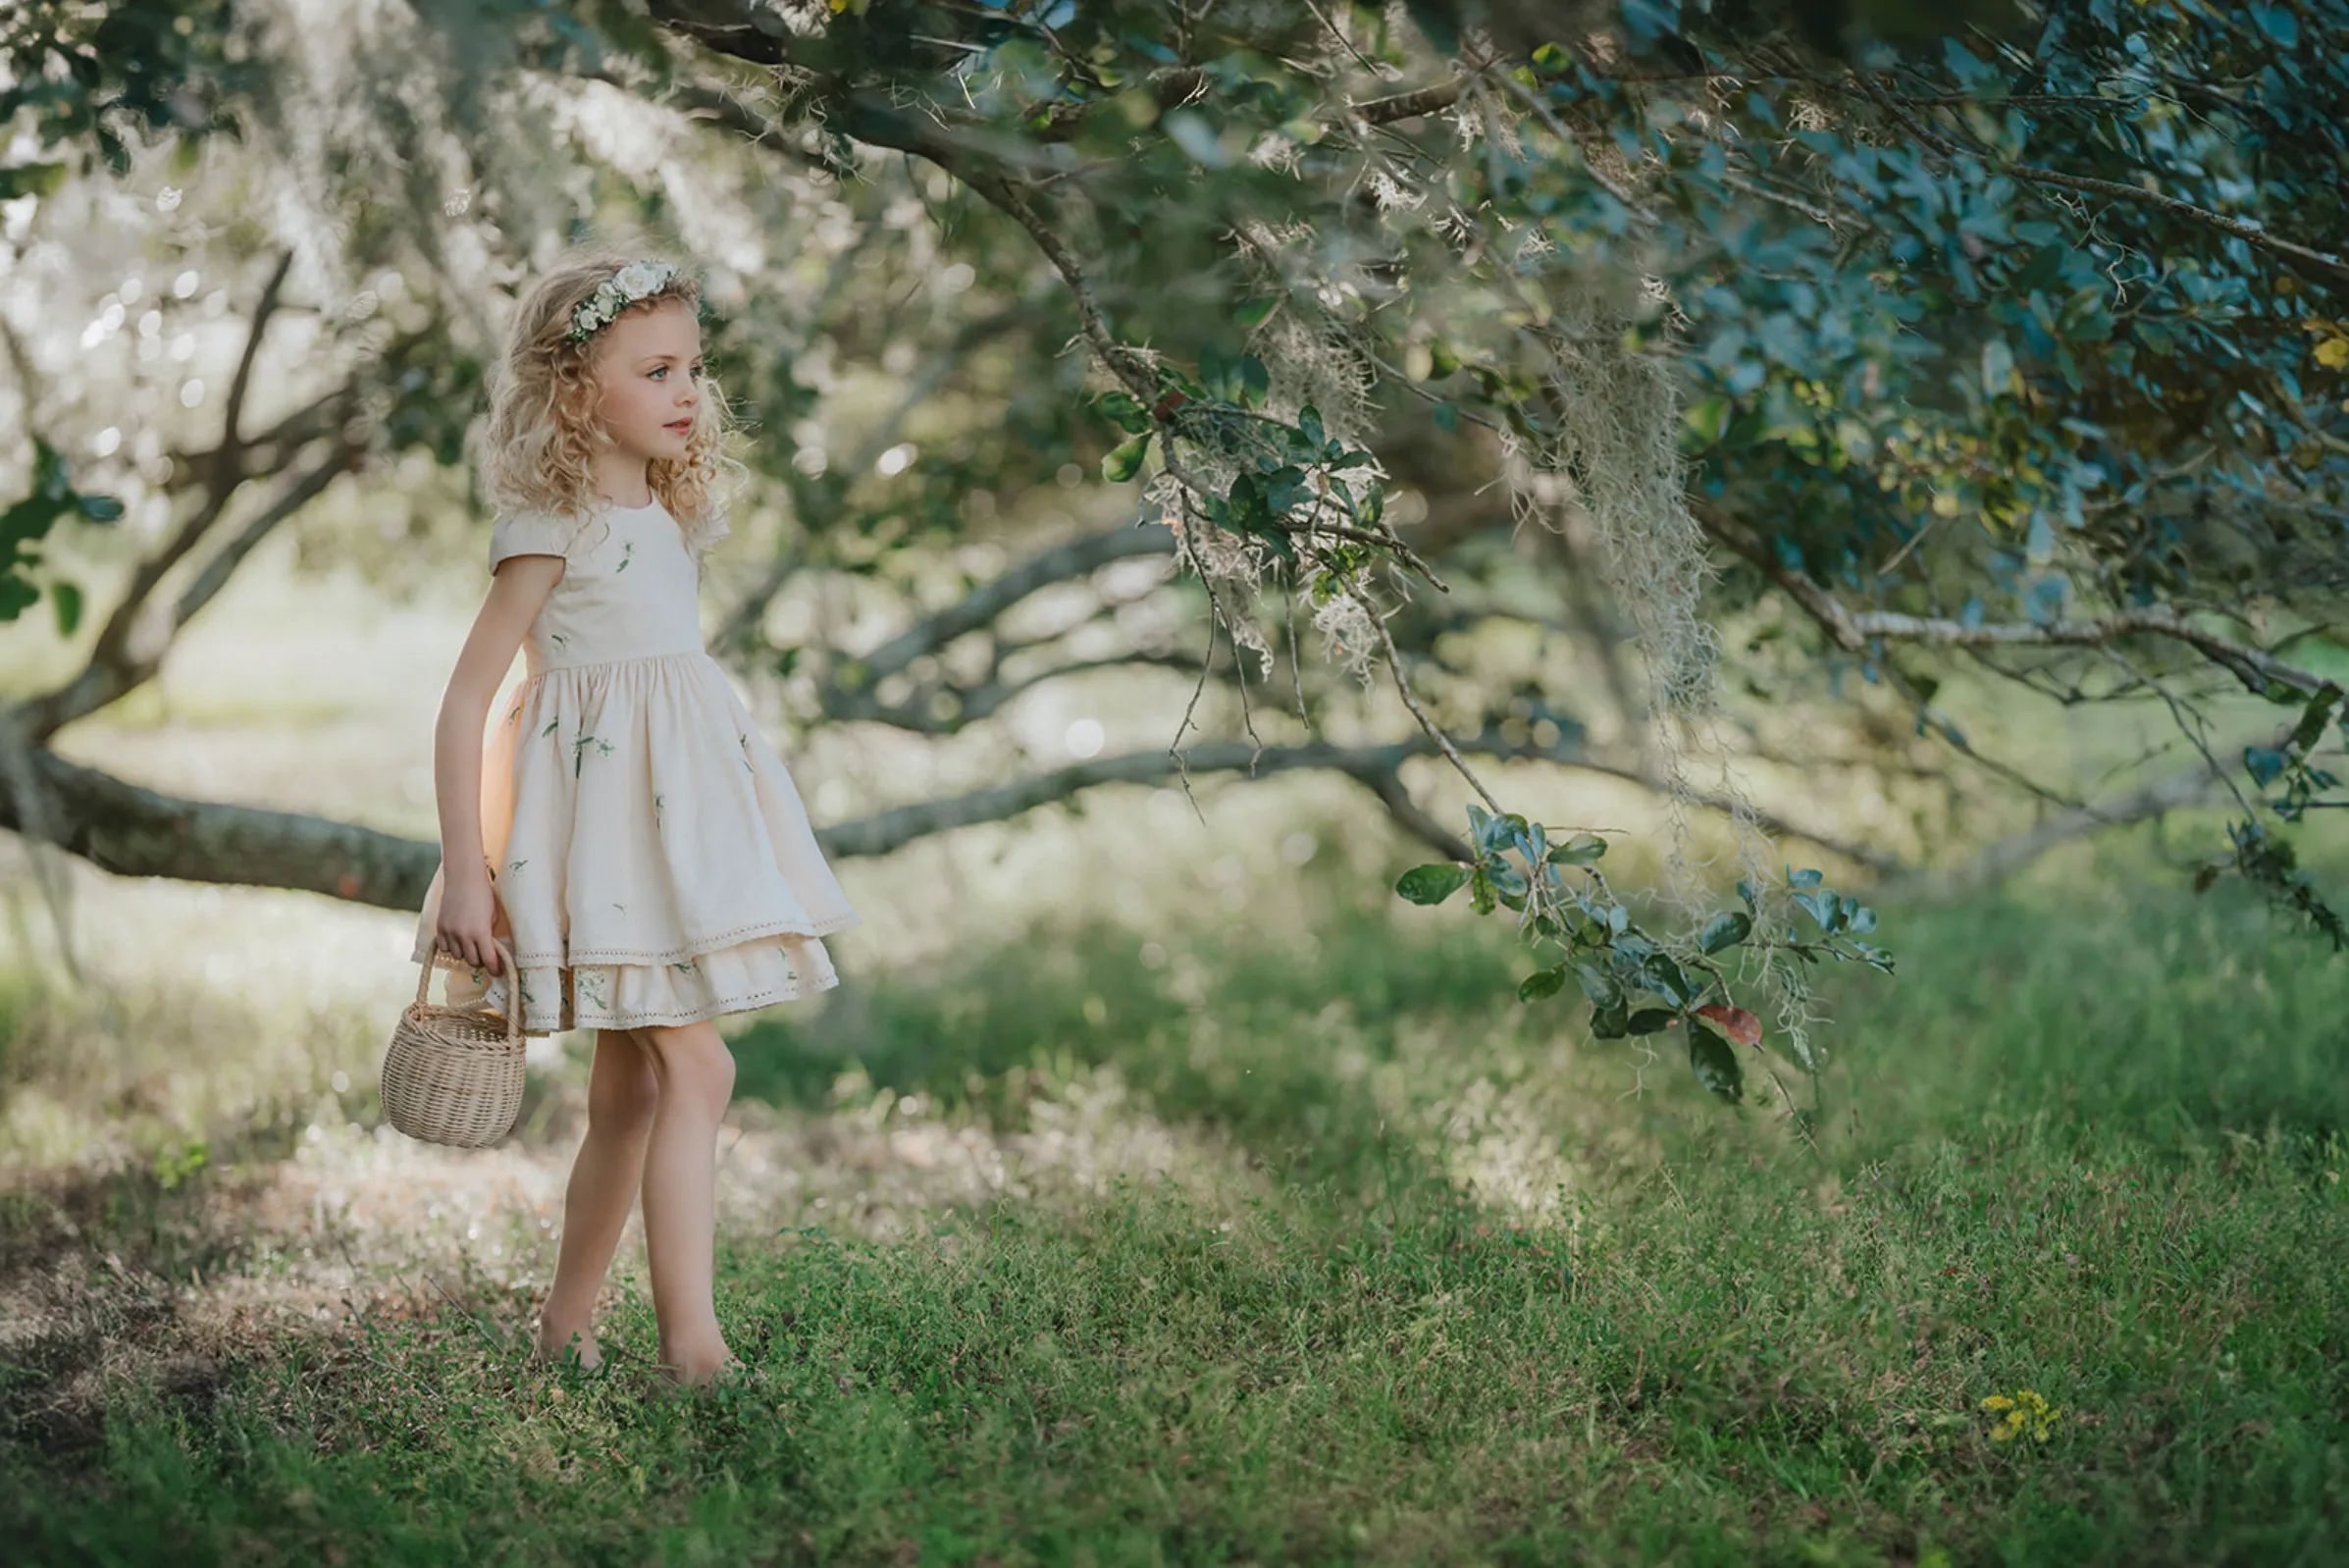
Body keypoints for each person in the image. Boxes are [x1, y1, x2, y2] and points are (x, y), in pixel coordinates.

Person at [405, 248, 860, 1390]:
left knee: (635, 1087)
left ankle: (564, 1328)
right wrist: (470, 872)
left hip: (670, 828)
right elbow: (468, 703)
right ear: (574, 390)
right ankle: (693, 1349)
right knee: (699, 1071)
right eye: (656, 369)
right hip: (599, 832)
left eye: (694, 368)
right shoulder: (546, 526)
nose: (688, 393)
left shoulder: (663, 510)